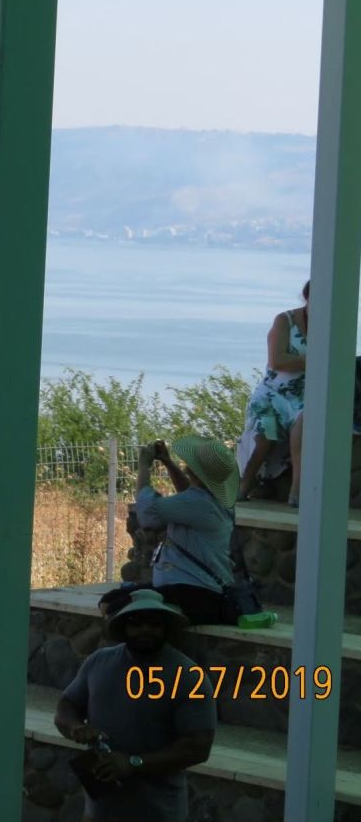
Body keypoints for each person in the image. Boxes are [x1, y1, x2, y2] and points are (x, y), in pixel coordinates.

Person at [55, 588, 215, 822]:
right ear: (122, 627)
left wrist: (132, 763)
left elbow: (197, 747)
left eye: (154, 624)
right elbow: (67, 705)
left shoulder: (188, 676)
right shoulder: (98, 662)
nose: (145, 630)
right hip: (99, 812)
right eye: (136, 623)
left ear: (167, 628)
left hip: (159, 813)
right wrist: (76, 728)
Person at [101, 436, 238, 625]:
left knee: (113, 604)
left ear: (195, 469)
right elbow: (188, 492)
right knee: (114, 597)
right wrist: (168, 463)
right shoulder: (212, 500)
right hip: (200, 592)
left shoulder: (199, 504)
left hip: (194, 595)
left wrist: (144, 466)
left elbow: (146, 512)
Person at [236, 280, 309, 508]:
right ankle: (243, 486)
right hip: (272, 393)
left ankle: (297, 492)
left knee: (303, 427)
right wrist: (314, 361)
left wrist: (301, 362)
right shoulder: (285, 320)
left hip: (303, 396)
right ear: (308, 297)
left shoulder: (329, 326)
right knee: (264, 436)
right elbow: (277, 360)